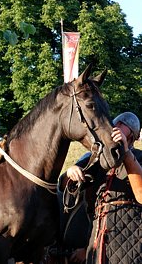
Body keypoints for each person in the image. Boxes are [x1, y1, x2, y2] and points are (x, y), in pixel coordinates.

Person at [64, 112, 142, 264]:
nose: (115, 126)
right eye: (115, 123)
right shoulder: (96, 157)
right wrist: (71, 172)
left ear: (132, 135)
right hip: (98, 234)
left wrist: (125, 152)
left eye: (121, 125)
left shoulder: (139, 157)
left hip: (130, 232)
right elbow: (64, 186)